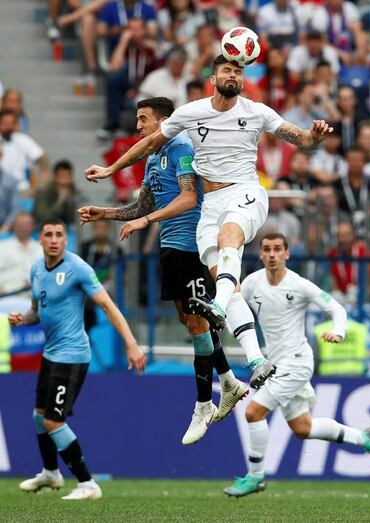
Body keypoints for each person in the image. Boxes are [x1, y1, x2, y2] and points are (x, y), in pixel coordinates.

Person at [83, 54, 333, 389]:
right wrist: (112, 170)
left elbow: (301, 138)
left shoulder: (257, 111)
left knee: (228, 241)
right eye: (227, 70)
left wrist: (314, 138)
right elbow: (149, 143)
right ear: (213, 78)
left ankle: (215, 307)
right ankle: (256, 360)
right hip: (211, 206)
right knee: (229, 288)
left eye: (238, 71)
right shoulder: (191, 113)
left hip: (245, 192)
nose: (233, 75)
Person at [78, 97, 248, 445]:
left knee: (198, 323)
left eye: (144, 119)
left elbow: (188, 198)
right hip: (170, 249)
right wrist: (105, 214)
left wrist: (146, 221)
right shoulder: (154, 157)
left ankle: (204, 403)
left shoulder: (183, 147)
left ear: (164, 120)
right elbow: (143, 204)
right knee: (190, 323)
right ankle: (229, 381)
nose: (138, 126)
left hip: (191, 247)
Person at [223, 233, 370, 498]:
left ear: (287, 254)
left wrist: (339, 331)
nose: (273, 254)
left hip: (297, 363)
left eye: (278, 249)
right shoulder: (251, 283)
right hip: (274, 364)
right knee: (303, 428)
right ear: (262, 254)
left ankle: (255, 477)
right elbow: (235, 308)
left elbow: (337, 309)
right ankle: (364, 438)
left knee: (253, 413)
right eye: (267, 249)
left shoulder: (299, 285)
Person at [9, 218, 146, 500]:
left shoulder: (78, 268)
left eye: (60, 234)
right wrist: (23, 320)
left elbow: (108, 306)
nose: (55, 239)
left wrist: (132, 345)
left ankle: (87, 483)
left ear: (66, 240)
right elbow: (38, 311)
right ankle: (50, 472)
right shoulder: (36, 269)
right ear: (41, 239)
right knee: (39, 417)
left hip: (72, 355)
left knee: (53, 422)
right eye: (49, 234)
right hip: (51, 353)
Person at [33, 160, 80, 227]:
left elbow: (72, 219)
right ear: (55, 176)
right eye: (63, 176)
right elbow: (44, 217)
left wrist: (69, 202)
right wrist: (60, 201)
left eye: (68, 177)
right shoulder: (42, 191)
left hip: (64, 227)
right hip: (42, 227)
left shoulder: (72, 189)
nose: (65, 181)